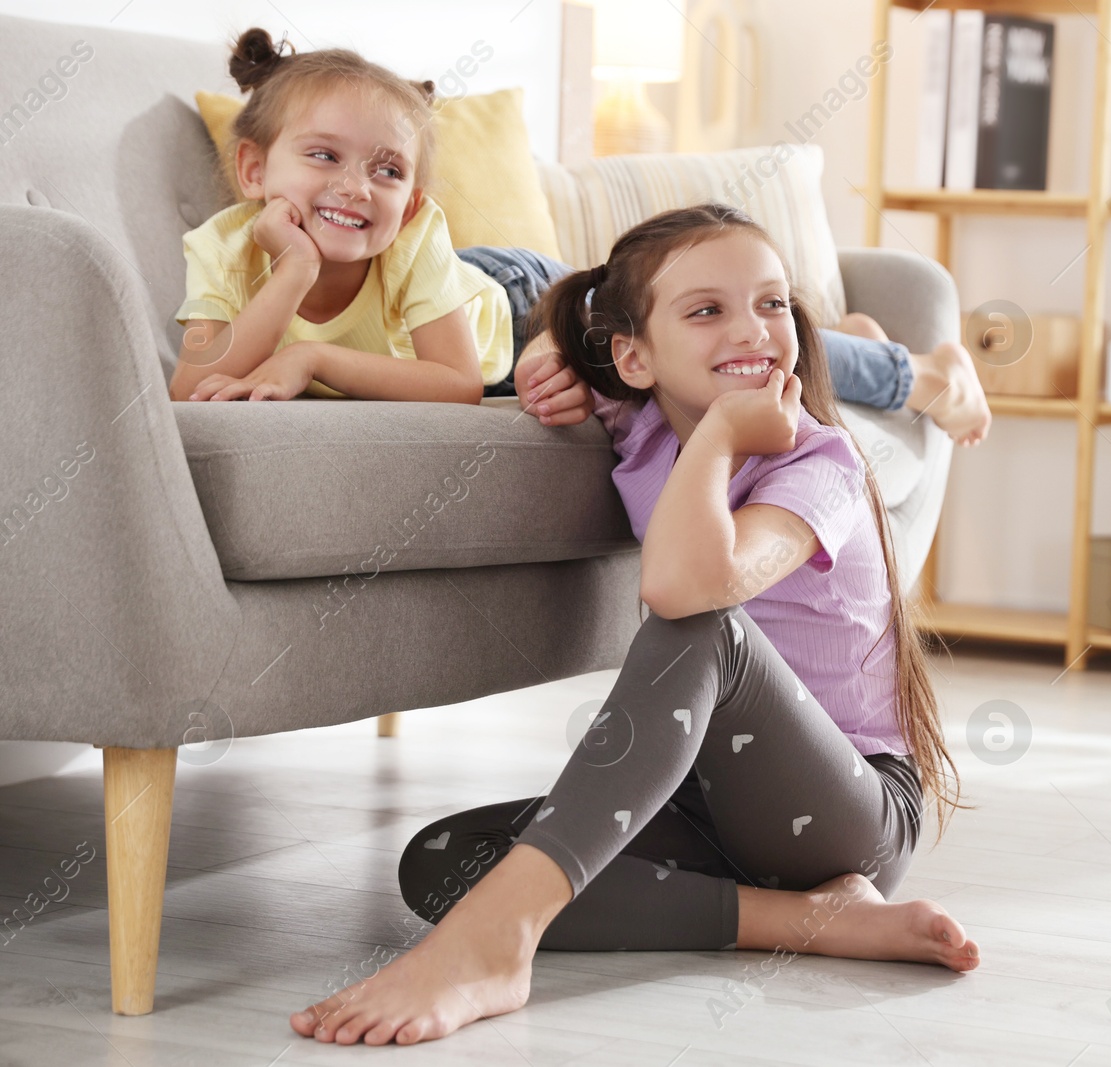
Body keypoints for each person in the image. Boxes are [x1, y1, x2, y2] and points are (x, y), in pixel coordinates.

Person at [289, 203, 981, 1047]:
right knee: (440, 859)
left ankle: (498, 940)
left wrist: (725, 430)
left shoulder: (821, 462)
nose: (752, 329)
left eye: (772, 304)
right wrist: (549, 355)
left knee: (701, 628)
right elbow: (575, 320)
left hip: (844, 812)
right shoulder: (642, 422)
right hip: (701, 805)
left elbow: (692, 586)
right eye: (706, 310)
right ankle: (812, 921)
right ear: (637, 356)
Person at [171, 27, 993, 449]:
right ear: (252, 170)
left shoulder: (414, 236)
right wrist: (294, 271)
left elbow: (458, 382)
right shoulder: (226, 244)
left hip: (527, 303)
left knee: (679, 331)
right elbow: (191, 388)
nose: (356, 188)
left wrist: (309, 358)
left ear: (413, 195)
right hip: (498, 350)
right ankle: (855, 343)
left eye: (386, 170)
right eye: (323, 158)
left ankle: (920, 373)